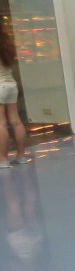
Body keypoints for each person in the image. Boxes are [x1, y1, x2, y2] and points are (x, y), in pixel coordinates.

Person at [0, 28, 30, 167]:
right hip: (11, 85)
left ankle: (2, 159)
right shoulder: (7, 46)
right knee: (16, 122)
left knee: (1, 124)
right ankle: (21, 156)